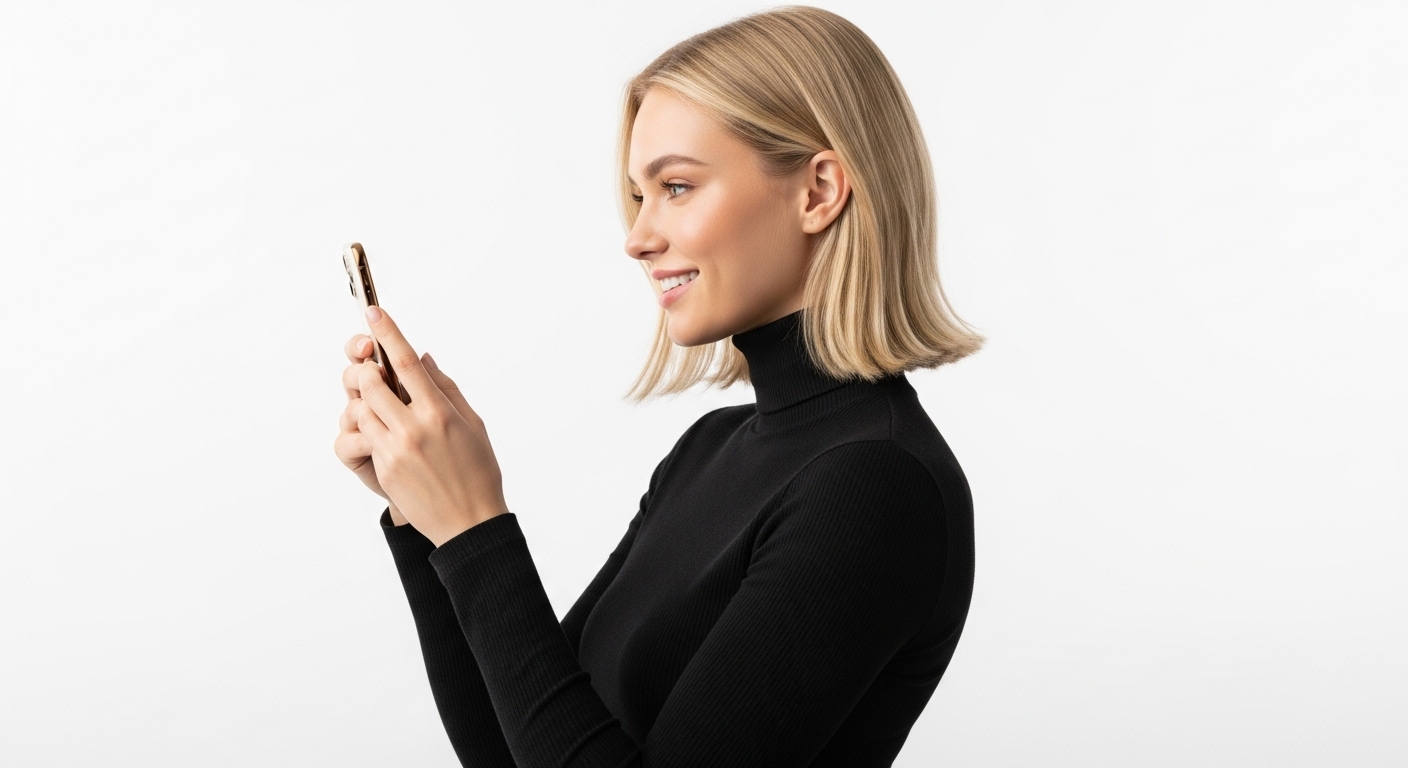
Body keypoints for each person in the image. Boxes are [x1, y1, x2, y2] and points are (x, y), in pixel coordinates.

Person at [333, 5, 983, 766]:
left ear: (818, 192)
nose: (638, 237)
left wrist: (478, 532)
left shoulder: (875, 485)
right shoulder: (709, 451)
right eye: (640, 196)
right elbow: (514, 751)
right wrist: (428, 520)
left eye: (676, 187)